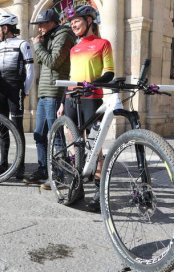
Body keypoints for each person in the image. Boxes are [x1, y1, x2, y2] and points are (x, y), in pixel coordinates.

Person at [56, 5, 115, 211]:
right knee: (74, 142)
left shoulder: (102, 44)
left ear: (89, 21)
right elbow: (72, 77)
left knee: (94, 146)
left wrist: (94, 83)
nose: (73, 25)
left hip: (91, 98)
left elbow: (109, 73)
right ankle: (77, 186)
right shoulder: (74, 48)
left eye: (77, 21)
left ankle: (99, 192)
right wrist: (63, 101)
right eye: (71, 23)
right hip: (72, 98)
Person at [23, 9, 75, 184]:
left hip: (54, 91)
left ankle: (59, 174)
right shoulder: (50, 37)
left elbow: (53, 62)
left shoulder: (64, 35)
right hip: (44, 91)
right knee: (39, 134)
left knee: (56, 135)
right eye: (38, 25)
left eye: (42, 24)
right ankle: (43, 169)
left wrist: (38, 45)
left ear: (52, 22)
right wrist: (42, 44)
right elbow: (44, 61)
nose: (39, 28)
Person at [0, 12, 35, 180]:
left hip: (16, 90)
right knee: (2, 127)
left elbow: (30, 70)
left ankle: (20, 166)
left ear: (5, 28)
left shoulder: (23, 44)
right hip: (2, 89)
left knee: (17, 128)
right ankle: (3, 163)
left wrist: (26, 90)